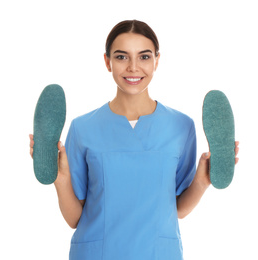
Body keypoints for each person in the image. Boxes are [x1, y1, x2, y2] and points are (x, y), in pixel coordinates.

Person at [30, 19, 239, 260]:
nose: (133, 67)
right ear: (107, 62)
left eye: (144, 57)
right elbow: (75, 218)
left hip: (159, 254)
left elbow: (179, 209)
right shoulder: (83, 128)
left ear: (157, 61)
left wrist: (202, 181)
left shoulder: (182, 127)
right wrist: (60, 179)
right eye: (121, 57)